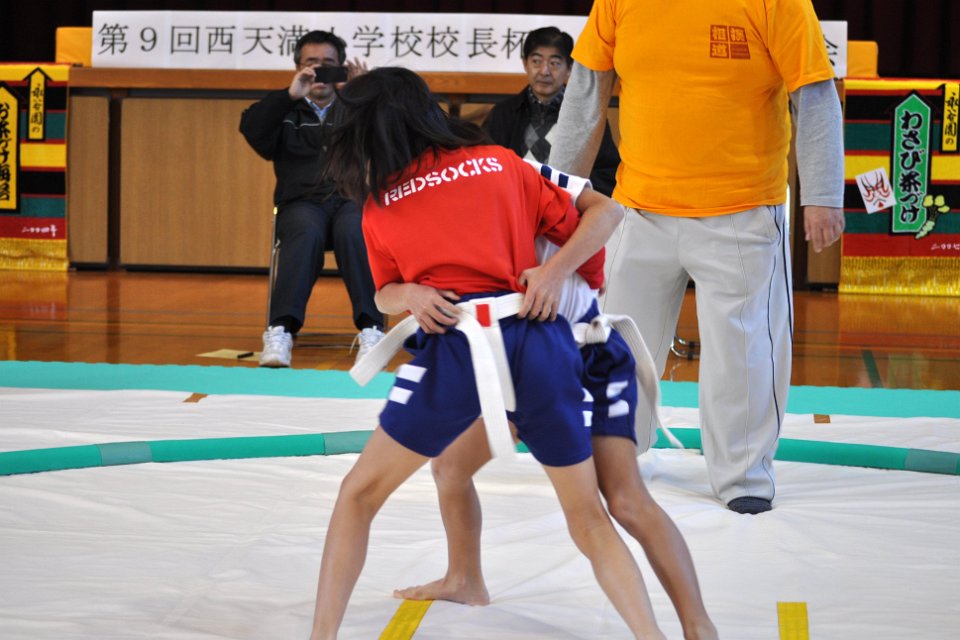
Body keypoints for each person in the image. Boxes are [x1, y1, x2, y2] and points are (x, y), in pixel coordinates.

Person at [309, 67, 666, 640]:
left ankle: (321, 635)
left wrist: (411, 295)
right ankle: (469, 579)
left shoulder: (380, 204)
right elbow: (600, 215)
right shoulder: (502, 162)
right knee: (573, 513)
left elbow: (382, 294)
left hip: (458, 349)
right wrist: (553, 272)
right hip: (541, 340)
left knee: (358, 494)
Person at [393, 160, 719, 640]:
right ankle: (464, 578)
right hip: (516, 359)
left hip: (578, 355)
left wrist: (553, 271)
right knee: (449, 467)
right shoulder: (429, 194)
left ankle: (698, 626)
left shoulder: (515, 170)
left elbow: (608, 212)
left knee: (621, 501)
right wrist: (410, 293)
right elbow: (387, 289)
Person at [548, 0, 846, 514]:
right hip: (638, 208)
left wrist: (822, 194)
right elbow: (585, 94)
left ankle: (744, 476)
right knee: (614, 343)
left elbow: (814, 95)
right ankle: (613, 456)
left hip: (742, 211)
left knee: (743, 353)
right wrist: (558, 194)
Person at [239, 30, 384, 368]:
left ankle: (372, 330)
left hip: (350, 201)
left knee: (356, 229)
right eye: (311, 63)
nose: (320, 72)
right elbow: (252, 130)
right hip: (300, 203)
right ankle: (281, 331)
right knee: (304, 231)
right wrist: (290, 95)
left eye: (328, 64)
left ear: (342, 69)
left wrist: (365, 94)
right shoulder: (285, 109)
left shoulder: (355, 107)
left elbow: (388, 135)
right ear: (298, 67)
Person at [482, 26, 620, 197]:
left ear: (570, 68)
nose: (544, 71)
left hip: (570, 206)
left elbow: (607, 174)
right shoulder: (503, 113)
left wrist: (569, 191)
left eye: (554, 63)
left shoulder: (587, 117)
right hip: (515, 203)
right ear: (525, 64)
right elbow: (484, 166)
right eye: (536, 61)